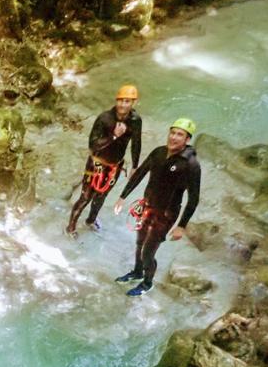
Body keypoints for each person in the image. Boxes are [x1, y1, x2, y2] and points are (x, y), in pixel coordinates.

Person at [113, 118, 201, 296]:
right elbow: (140, 173)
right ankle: (137, 272)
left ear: (187, 140)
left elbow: (193, 198)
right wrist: (122, 196)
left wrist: (181, 225)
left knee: (148, 252)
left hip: (166, 214)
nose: (174, 137)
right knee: (139, 242)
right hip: (148, 206)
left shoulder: (190, 165)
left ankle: (147, 283)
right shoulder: (158, 152)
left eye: (180, 135)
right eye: (172, 132)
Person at [65, 85, 142, 238]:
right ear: (116, 100)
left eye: (127, 101)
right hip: (96, 163)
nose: (123, 105)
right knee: (86, 197)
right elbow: (92, 145)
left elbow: (136, 143)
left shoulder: (135, 121)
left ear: (134, 103)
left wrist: (134, 166)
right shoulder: (105, 118)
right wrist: (114, 136)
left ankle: (91, 220)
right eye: (120, 100)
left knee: (101, 196)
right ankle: (70, 227)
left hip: (115, 166)